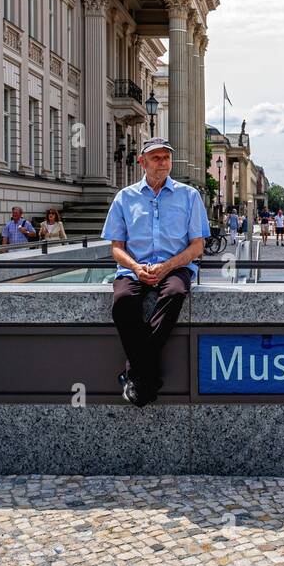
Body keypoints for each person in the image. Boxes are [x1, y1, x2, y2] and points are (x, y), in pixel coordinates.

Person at [101, 138, 209, 407]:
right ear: (142, 162)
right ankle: (148, 375)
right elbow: (116, 248)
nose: (163, 163)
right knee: (123, 302)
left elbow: (197, 246)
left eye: (166, 158)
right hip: (134, 268)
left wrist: (168, 266)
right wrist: (136, 268)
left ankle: (136, 373)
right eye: (156, 158)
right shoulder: (124, 197)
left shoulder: (189, 195)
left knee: (174, 293)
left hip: (176, 266)